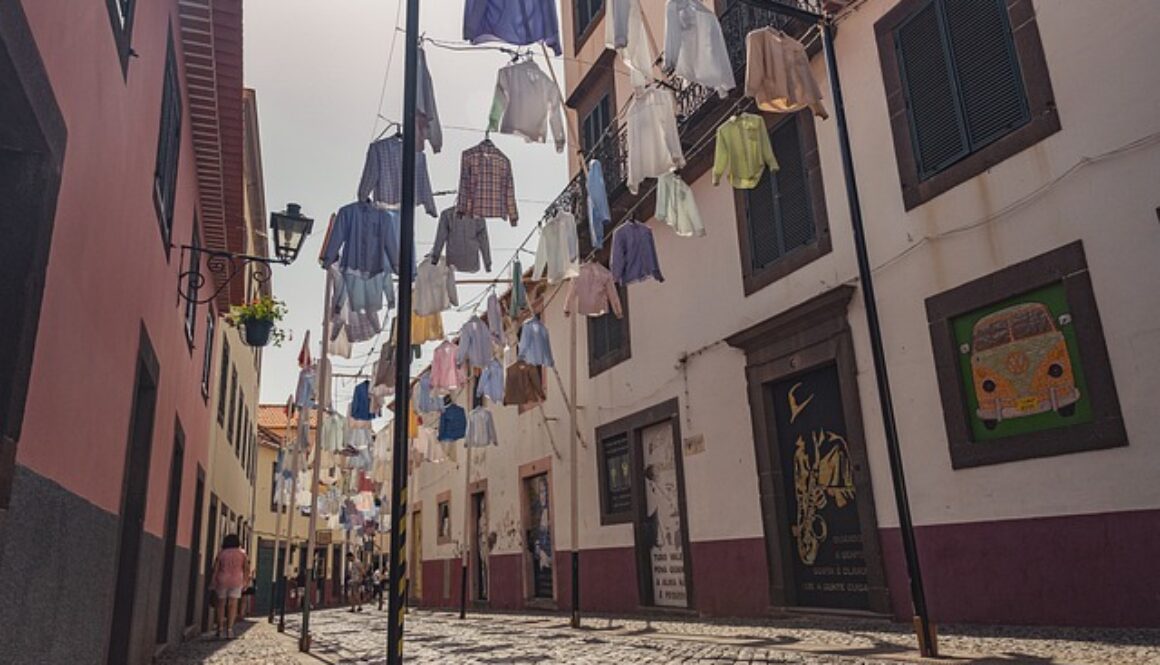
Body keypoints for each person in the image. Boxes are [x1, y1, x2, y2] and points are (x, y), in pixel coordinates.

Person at [211, 533, 248, 639]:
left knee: (220, 605)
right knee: (233, 605)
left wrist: (213, 581)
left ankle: (220, 628)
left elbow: (216, 568)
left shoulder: (221, 553)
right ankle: (230, 629)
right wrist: (245, 582)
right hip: (236, 580)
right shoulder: (242, 554)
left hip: (222, 580)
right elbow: (246, 568)